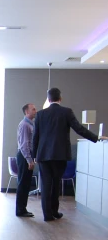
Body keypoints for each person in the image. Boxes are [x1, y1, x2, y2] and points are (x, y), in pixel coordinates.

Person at [32, 87, 108, 221]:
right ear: (60, 99)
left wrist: (34, 154)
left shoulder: (40, 114)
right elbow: (79, 129)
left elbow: (35, 136)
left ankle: (47, 215)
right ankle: (55, 211)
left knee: (45, 184)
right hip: (60, 154)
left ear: (48, 100)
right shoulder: (66, 112)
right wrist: (96, 138)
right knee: (56, 184)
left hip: (43, 155)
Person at [16, 102, 37, 217]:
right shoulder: (25, 125)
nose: (35, 111)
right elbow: (24, 145)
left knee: (25, 183)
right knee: (23, 183)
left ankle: (22, 209)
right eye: (33, 109)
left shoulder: (30, 124)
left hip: (26, 156)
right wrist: (29, 160)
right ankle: (20, 210)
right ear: (27, 112)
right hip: (24, 156)